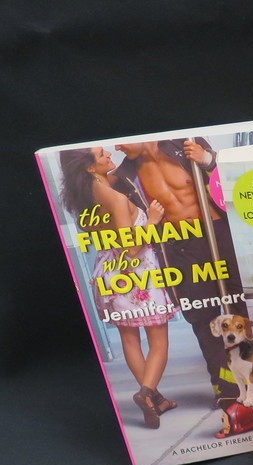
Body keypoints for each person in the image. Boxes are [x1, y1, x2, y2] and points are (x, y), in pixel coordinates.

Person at [114, 138, 245, 403]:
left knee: (243, 306)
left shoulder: (187, 145)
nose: (117, 148)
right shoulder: (125, 176)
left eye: (119, 142)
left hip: (219, 234)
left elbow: (238, 178)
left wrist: (208, 159)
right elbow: (91, 192)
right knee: (203, 318)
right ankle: (226, 389)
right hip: (181, 246)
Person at [61, 147, 175, 429]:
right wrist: (151, 220)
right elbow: (130, 251)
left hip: (108, 276)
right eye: (102, 155)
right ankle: (145, 393)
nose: (109, 155)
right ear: (89, 167)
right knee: (159, 340)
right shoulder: (115, 199)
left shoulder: (83, 197)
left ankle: (156, 400)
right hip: (137, 276)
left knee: (129, 339)